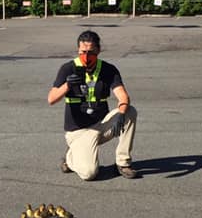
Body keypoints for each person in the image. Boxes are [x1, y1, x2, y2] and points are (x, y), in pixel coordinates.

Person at [48, 30, 138, 180]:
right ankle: (71, 158)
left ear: (98, 50)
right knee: (89, 173)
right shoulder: (68, 69)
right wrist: (67, 85)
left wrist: (121, 113)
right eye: (83, 51)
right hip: (78, 131)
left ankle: (123, 163)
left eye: (91, 52)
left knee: (130, 111)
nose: (87, 56)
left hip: (101, 125)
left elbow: (123, 95)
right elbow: (51, 99)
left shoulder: (108, 69)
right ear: (78, 50)